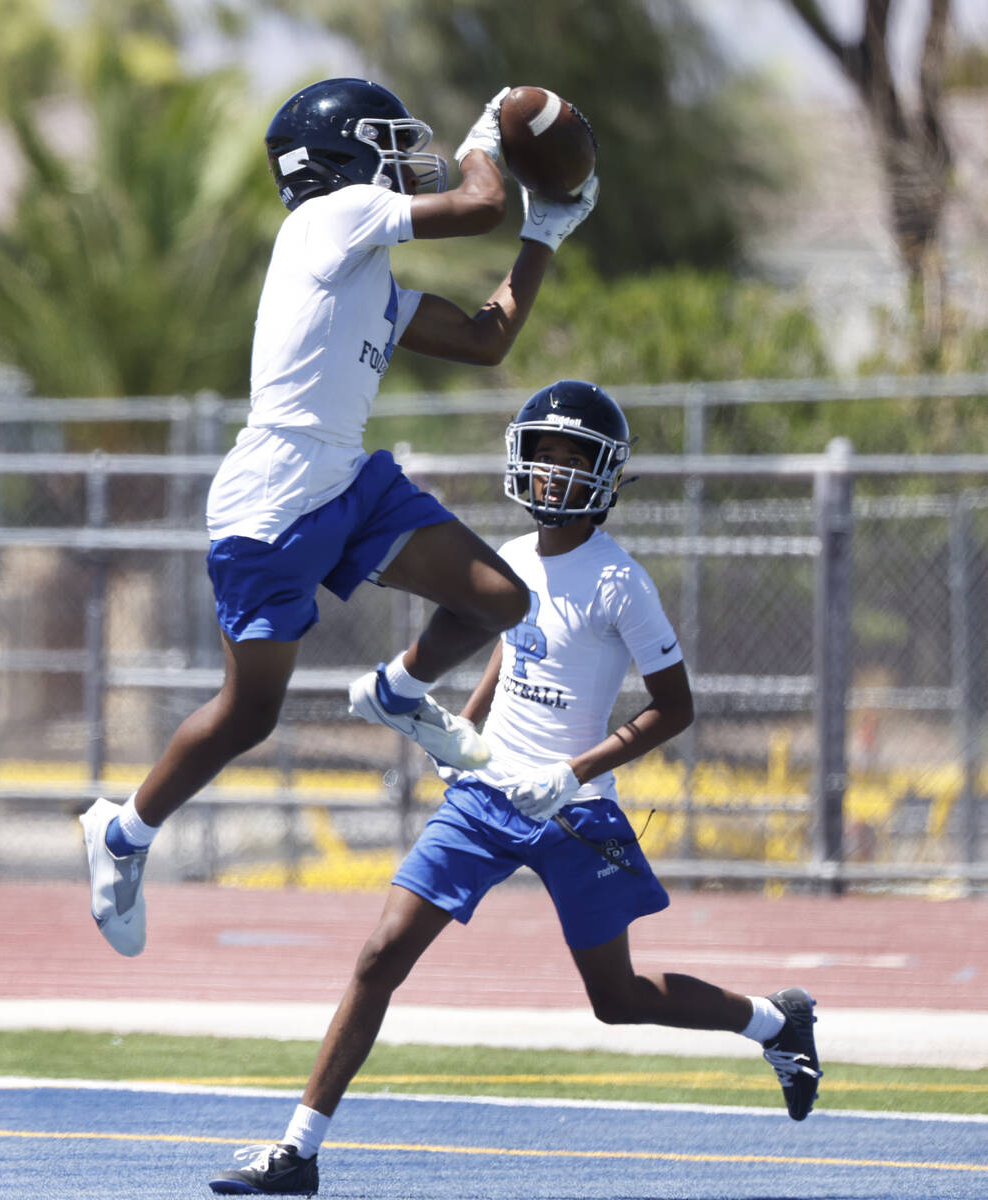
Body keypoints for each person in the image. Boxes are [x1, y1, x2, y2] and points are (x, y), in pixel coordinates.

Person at [206, 379, 823, 1196]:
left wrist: (568, 773)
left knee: (617, 999)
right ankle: (297, 1151)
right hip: (483, 797)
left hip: (572, 810)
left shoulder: (620, 582)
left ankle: (776, 1020)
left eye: (573, 461)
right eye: (542, 456)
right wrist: (459, 733)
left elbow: (675, 709)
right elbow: (506, 648)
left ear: (604, 478)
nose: (552, 475)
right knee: (380, 954)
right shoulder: (511, 561)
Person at [79, 79, 599, 957]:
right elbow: (477, 201)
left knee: (499, 600)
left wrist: (543, 235)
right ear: (342, 156)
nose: (406, 156)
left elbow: (485, 340)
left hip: (345, 477)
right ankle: (122, 831)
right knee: (250, 715)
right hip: (272, 495)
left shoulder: (365, 268)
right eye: (389, 140)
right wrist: (489, 138)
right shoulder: (330, 217)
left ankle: (399, 690)